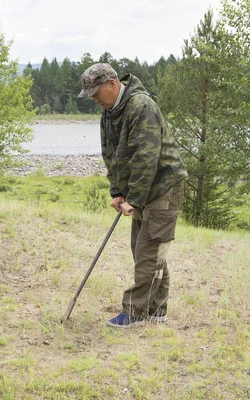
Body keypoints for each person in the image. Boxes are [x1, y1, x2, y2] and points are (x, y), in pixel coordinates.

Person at [78, 63, 188, 328]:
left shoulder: (141, 106)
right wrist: (117, 191)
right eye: (90, 94)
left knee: (149, 249)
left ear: (113, 84)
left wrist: (134, 199)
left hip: (163, 186)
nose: (93, 99)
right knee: (146, 249)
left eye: (96, 92)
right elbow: (111, 154)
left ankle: (136, 311)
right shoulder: (109, 111)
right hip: (142, 189)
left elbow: (146, 158)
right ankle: (156, 308)